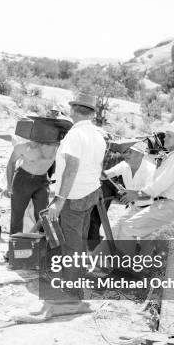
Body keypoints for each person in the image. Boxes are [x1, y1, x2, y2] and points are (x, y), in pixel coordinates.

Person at [47, 93, 107, 261]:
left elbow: (71, 169)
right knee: (80, 239)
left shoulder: (75, 135)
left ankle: (72, 285)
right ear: (92, 114)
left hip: (74, 196)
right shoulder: (98, 135)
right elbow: (98, 166)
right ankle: (77, 278)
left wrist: (59, 200)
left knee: (71, 242)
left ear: (73, 110)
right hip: (90, 192)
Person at [117, 121, 174, 240]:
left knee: (128, 227)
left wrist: (135, 194)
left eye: (169, 135)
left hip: (166, 208)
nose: (164, 138)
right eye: (165, 135)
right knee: (147, 241)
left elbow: (159, 185)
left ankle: (126, 259)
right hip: (164, 207)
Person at [5, 140, 58, 235]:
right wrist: (9, 184)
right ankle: (15, 245)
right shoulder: (24, 146)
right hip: (22, 179)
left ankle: (45, 245)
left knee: (43, 215)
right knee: (17, 215)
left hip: (42, 180)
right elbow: (11, 163)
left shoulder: (57, 147)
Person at [103, 141, 156, 233]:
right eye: (126, 151)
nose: (126, 154)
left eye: (130, 152)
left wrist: (133, 195)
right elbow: (105, 175)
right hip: (133, 208)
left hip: (149, 212)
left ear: (141, 155)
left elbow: (151, 195)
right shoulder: (123, 165)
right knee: (115, 234)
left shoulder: (150, 170)